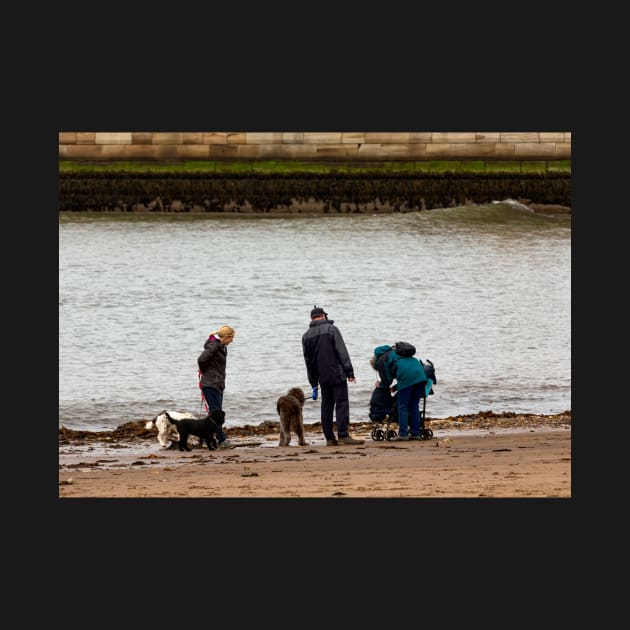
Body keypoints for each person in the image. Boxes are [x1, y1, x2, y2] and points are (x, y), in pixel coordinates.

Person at [302, 305, 364, 446]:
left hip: (322, 376)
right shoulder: (331, 329)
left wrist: (313, 382)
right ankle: (343, 436)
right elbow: (342, 351)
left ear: (312, 318)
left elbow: (308, 362)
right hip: (336, 373)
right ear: (323, 316)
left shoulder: (306, 336)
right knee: (341, 404)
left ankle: (329, 438)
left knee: (327, 405)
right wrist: (350, 372)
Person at [372, 344, 427, 440]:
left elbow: (387, 380)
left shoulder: (382, 360)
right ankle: (415, 433)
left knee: (402, 406)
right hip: (421, 376)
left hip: (407, 378)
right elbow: (408, 371)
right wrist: (396, 387)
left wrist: (380, 385)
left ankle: (403, 434)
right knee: (414, 406)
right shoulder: (397, 352)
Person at [197, 325, 235, 449]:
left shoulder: (222, 346)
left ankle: (203, 438)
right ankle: (221, 439)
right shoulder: (214, 346)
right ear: (226, 337)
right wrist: (206, 373)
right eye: (231, 338)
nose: (232, 341)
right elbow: (201, 360)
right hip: (211, 384)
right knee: (216, 413)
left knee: (214, 412)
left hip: (217, 384)